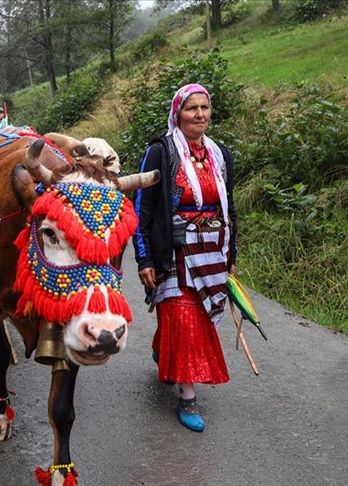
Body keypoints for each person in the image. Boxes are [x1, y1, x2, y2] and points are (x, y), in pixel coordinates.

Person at [131, 83, 238, 432]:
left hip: (212, 250)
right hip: (173, 250)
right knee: (183, 315)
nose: (200, 114)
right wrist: (145, 258)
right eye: (192, 108)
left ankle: (163, 348)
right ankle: (188, 396)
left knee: (198, 316)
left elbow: (229, 207)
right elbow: (142, 208)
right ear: (178, 114)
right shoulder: (161, 152)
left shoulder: (220, 155)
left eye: (205, 107)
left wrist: (231, 253)